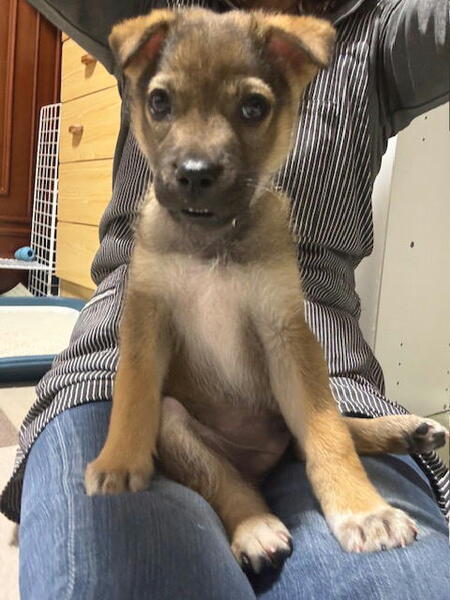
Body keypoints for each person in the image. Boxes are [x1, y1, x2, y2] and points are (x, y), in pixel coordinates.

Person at [2, 1, 449, 598]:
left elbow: (292, 348)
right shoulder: (159, 28)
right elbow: (144, 338)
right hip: (143, 398)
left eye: (251, 108)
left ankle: (352, 436)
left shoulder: (374, 28)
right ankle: (240, 507)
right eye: (163, 103)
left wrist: (340, 471)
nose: (197, 153)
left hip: (319, 386)